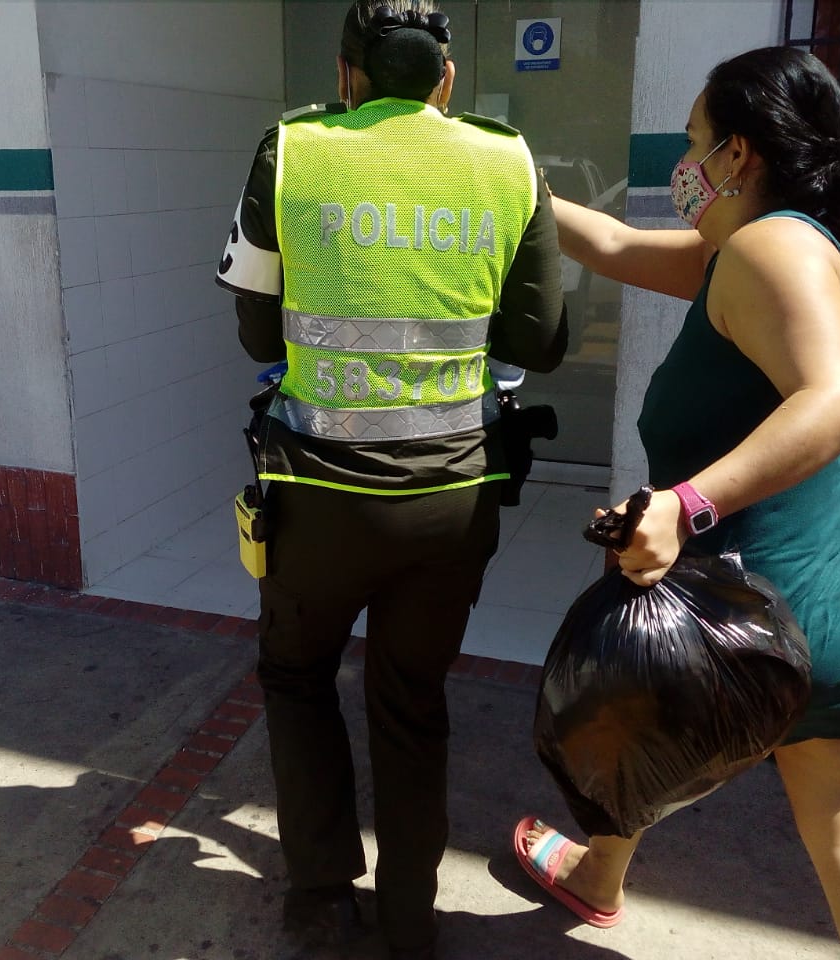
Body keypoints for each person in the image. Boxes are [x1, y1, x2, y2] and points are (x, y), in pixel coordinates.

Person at [511, 46, 840, 960]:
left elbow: (836, 404)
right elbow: (618, 245)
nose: (684, 163)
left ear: (739, 153)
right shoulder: (752, 248)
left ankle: (598, 873)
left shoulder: (768, 248)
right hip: (834, 593)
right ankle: (599, 877)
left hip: (765, 612)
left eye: (694, 141)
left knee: (631, 713)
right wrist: (500, 178)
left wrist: (684, 504)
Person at [215, 3, 566, 957]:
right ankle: (412, 921)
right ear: (447, 80)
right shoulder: (508, 160)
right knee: (412, 701)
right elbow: (539, 339)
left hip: (316, 498)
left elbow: (255, 330)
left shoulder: (290, 150)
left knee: (297, 678)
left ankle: (323, 902)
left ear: (347, 76)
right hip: (452, 500)